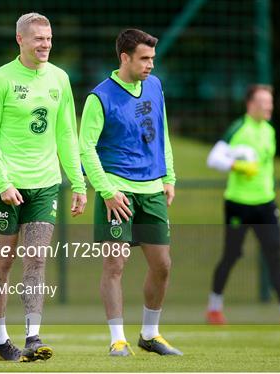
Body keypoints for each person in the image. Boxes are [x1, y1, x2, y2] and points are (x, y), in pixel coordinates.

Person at [0, 12, 87, 362]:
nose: (46, 44)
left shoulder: (60, 78)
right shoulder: (0, 80)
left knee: (36, 259)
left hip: (45, 185)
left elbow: (67, 134)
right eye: (39, 38)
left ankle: (33, 338)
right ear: (20, 40)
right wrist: (4, 181)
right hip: (5, 188)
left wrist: (78, 182)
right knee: (3, 263)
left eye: (50, 37)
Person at [79, 29, 182, 356]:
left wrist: (169, 175)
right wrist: (106, 191)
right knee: (115, 264)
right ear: (125, 58)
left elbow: (161, 132)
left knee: (163, 264)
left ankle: (150, 335)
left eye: (152, 58)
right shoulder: (100, 97)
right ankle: (117, 339)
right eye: (144, 58)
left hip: (152, 188)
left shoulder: (154, 85)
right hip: (117, 190)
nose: (151, 64)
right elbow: (86, 149)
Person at [205, 84, 280, 325]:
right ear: (250, 104)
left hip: (265, 204)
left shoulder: (269, 131)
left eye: (270, 101)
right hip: (238, 204)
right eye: (264, 101)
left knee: (274, 253)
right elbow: (213, 158)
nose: (269, 106)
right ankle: (214, 308)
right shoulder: (238, 129)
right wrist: (238, 165)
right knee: (231, 255)